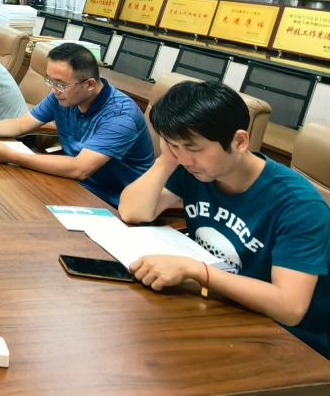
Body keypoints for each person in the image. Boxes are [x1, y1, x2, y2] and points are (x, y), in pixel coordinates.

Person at [118, 81, 330, 358]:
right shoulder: (194, 169)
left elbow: (289, 307)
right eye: (173, 145)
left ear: (240, 141)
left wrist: (198, 271)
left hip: (288, 342)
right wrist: (166, 160)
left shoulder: (299, 205)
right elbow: (132, 211)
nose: (184, 158)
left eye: (193, 147)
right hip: (221, 305)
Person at [0, 42, 153, 206]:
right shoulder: (63, 95)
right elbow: (21, 124)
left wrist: (13, 156)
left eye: (59, 84)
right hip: (73, 184)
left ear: (89, 84)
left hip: (113, 200)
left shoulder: (120, 117)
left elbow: (80, 168)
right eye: (49, 80)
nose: (53, 90)